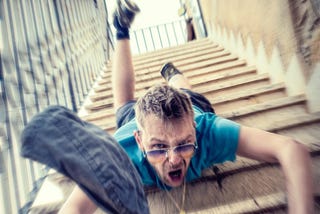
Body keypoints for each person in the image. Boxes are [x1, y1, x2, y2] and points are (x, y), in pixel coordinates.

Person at [25, 0, 313, 213]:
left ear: (195, 133)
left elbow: (291, 149)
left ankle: (172, 75)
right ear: (139, 140)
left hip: (193, 108)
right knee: (123, 104)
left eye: (184, 144)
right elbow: (74, 207)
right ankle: (121, 30)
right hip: (133, 119)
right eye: (159, 147)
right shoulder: (121, 154)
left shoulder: (208, 131)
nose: (174, 159)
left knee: (185, 91)